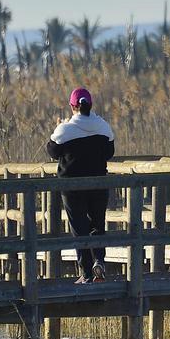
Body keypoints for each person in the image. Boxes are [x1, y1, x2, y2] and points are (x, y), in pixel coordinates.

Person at [46, 87, 115, 283]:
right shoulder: (102, 126)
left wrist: (60, 126)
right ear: (91, 105)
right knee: (97, 224)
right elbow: (109, 152)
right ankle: (99, 261)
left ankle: (85, 272)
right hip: (98, 184)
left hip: (72, 187)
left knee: (79, 227)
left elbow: (52, 150)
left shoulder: (65, 129)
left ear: (72, 106)